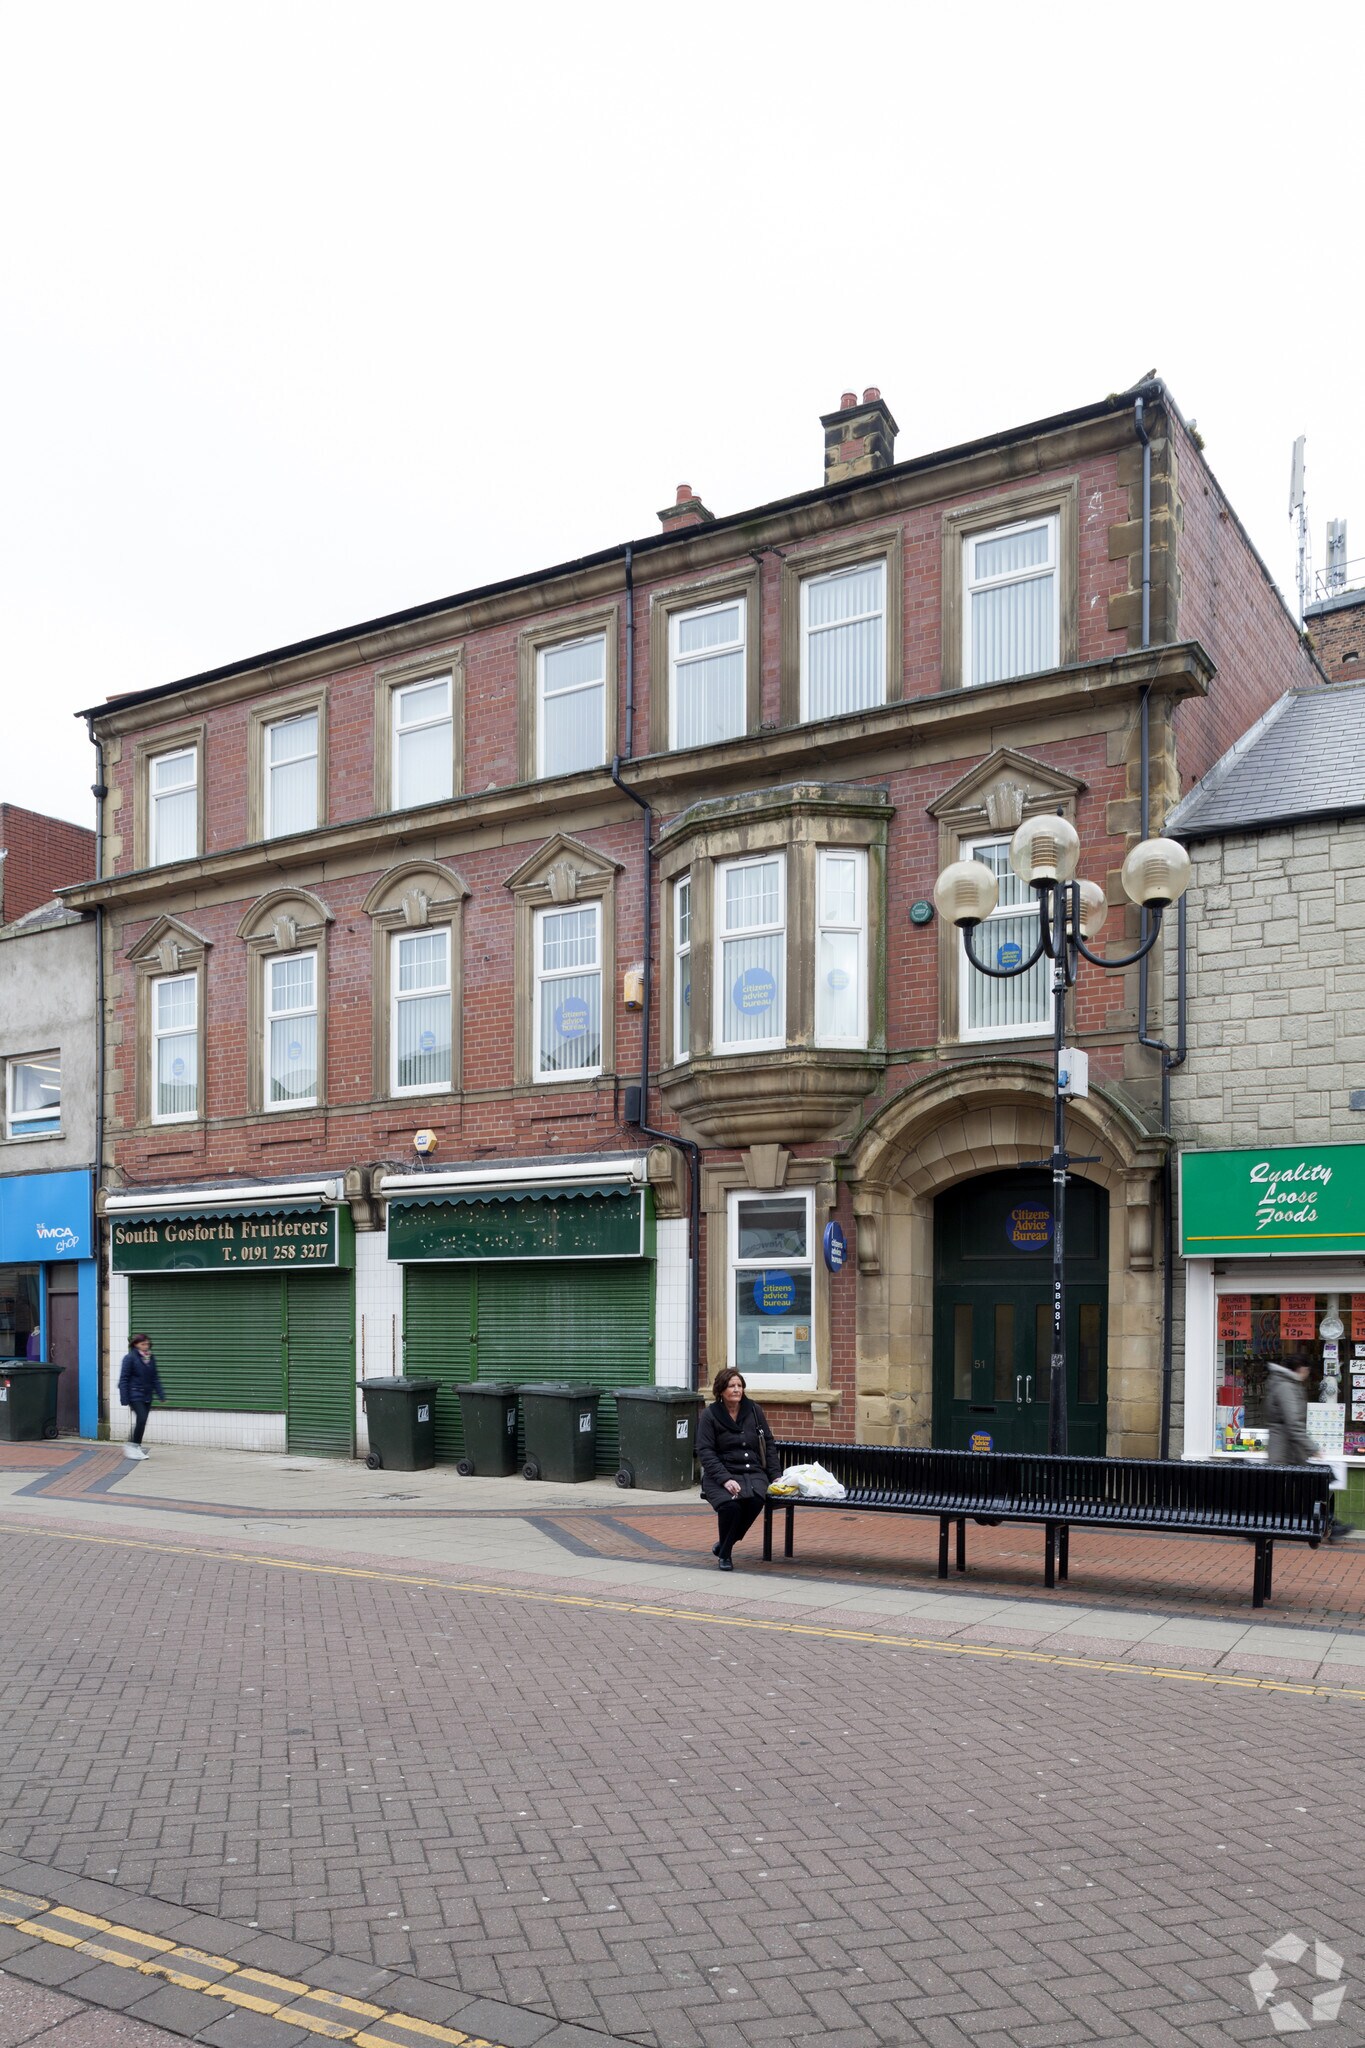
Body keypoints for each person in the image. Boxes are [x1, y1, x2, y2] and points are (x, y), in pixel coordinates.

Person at [697, 1365, 781, 1572]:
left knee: (755, 1500)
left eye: (739, 1386)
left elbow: (768, 1443)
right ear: (721, 1390)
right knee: (730, 1506)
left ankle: (724, 1546)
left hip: (752, 1472)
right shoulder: (710, 1415)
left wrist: (775, 1475)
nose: (736, 1390)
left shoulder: (754, 1410)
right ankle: (725, 1555)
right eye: (731, 1386)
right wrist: (725, 1479)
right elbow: (705, 1451)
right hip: (720, 1474)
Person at [1263, 1360, 1320, 1466]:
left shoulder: (1285, 1384)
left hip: (1285, 1450)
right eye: (1308, 1370)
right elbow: (1294, 1422)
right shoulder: (1286, 1387)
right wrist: (1312, 1448)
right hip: (1284, 1453)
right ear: (1302, 1369)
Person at [118, 1333, 165, 1460]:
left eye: (147, 1344)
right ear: (136, 1345)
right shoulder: (129, 1358)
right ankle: (133, 1447)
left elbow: (155, 1377)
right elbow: (124, 1379)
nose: (146, 1346)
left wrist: (161, 1394)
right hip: (134, 1394)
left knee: (142, 1421)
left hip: (147, 1394)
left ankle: (134, 1445)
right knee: (142, 1418)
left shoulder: (150, 1357)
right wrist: (124, 1398)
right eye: (143, 1344)